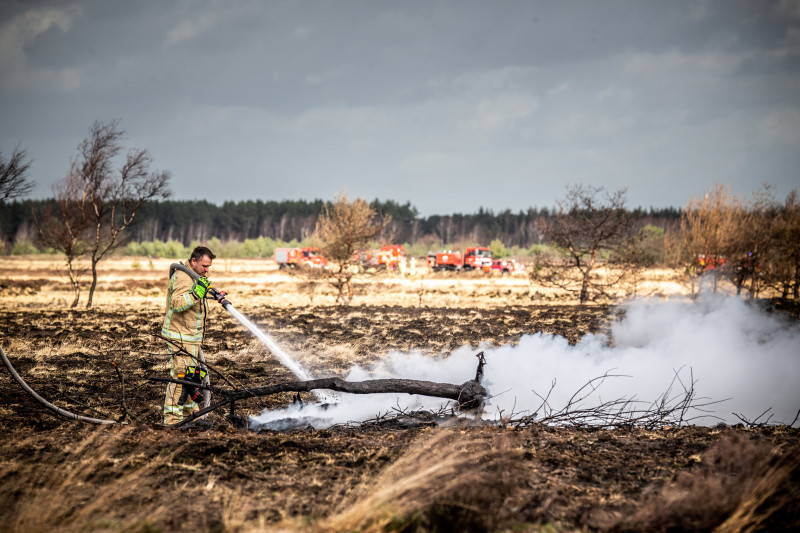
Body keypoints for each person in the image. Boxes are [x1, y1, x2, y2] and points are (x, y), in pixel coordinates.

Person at [161, 246, 216, 425]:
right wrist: (195, 294)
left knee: (191, 377)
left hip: (191, 336)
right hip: (180, 336)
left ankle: (189, 416)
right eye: (204, 266)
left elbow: (195, 301)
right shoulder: (183, 276)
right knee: (180, 378)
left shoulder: (196, 275)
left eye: (209, 267)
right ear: (193, 261)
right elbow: (176, 304)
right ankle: (171, 420)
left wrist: (212, 295)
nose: (207, 270)